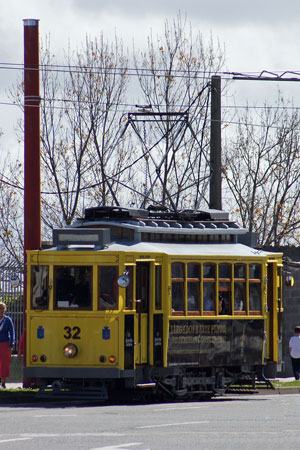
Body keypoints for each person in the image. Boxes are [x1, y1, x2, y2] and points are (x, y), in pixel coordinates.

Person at [0, 302, 15, 388]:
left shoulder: (7, 320)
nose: (1, 310)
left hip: (5, 344)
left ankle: (3, 382)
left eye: (2, 308)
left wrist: (11, 344)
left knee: (4, 363)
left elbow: (12, 332)